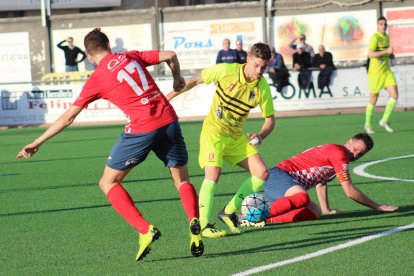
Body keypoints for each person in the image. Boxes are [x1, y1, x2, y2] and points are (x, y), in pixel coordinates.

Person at [17, 28, 203, 261]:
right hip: (168, 120)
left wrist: (37, 141)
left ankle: (145, 230)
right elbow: (170, 55)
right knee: (182, 180)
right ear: (108, 45)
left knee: (108, 182)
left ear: (87, 53)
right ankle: (194, 224)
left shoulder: (97, 78)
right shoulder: (130, 56)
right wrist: (177, 78)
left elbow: (68, 117)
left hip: (141, 129)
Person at [167, 43, 275, 238]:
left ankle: (228, 211)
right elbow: (195, 80)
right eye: (256, 65)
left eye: (264, 67)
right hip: (214, 132)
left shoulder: (262, 87)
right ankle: (204, 224)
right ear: (248, 59)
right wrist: (166, 99)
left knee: (261, 173)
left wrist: (260, 135)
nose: (259, 71)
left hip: (235, 136)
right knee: (213, 172)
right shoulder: (226, 70)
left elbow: (270, 121)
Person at [239, 133, 398, 227]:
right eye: (356, 149)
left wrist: (326, 209)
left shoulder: (340, 156)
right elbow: (349, 191)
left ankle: (263, 218)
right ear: (348, 141)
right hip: (280, 176)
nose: (356, 155)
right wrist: (377, 206)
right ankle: (255, 217)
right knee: (301, 197)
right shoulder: (339, 153)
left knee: (314, 212)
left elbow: (321, 182)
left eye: (360, 154)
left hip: (285, 185)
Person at [365, 16, 398, 134]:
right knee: (374, 98)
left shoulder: (387, 37)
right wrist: (386, 52)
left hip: (386, 71)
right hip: (375, 73)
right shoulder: (375, 37)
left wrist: (391, 55)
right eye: (381, 24)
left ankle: (384, 120)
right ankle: (367, 124)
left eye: (385, 24)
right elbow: (371, 54)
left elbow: (387, 54)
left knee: (394, 95)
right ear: (377, 26)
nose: (383, 26)